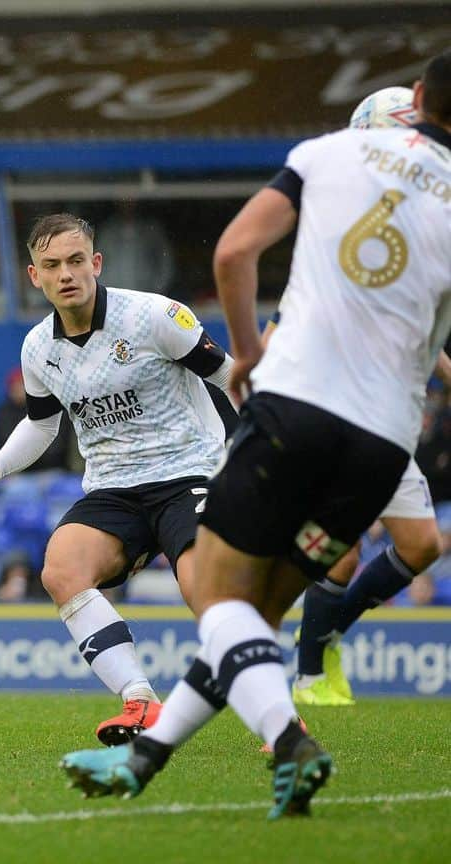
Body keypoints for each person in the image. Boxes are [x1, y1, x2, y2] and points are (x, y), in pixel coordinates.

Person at [59, 52, 451, 819]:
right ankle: (146, 759)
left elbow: (236, 251)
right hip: (380, 448)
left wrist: (246, 352)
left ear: (418, 97)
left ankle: (291, 742)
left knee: (221, 597)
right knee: (255, 615)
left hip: (295, 411)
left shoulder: (327, 154)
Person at [0, 212, 235, 745]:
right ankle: (141, 702)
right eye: (52, 265)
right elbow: (42, 425)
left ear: (96, 263)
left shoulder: (154, 317)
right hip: (113, 488)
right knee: (61, 570)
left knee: (209, 593)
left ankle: (280, 721)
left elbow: (229, 376)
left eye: (76, 261)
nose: (67, 274)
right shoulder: (39, 348)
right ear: (34, 277)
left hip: (190, 473)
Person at [287, 88, 448, 707]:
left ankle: (325, 636)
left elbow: (411, 331)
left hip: (389, 417)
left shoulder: (417, 234)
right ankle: (304, 678)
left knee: (420, 547)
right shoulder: (342, 228)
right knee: (343, 548)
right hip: (331, 411)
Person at [0, 368, 69, 472]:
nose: (18, 389)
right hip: (15, 470)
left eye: (21, 385)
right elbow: (0, 441)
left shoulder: (52, 408)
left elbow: (57, 446)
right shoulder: (4, 411)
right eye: (14, 386)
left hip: (49, 469)